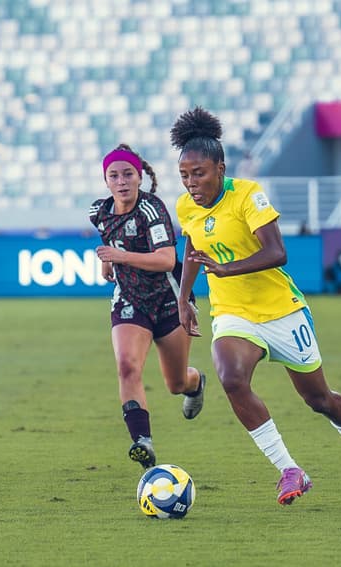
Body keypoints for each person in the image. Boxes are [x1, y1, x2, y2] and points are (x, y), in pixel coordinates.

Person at [170, 107, 341, 505]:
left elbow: (277, 252)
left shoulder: (247, 195)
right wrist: (184, 299)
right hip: (233, 313)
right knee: (231, 378)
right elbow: (192, 245)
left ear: (220, 169)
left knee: (319, 400)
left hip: (282, 311)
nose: (191, 183)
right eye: (184, 175)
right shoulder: (186, 206)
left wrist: (227, 268)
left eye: (198, 173)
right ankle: (290, 469)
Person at [89, 143, 206, 469]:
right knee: (127, 366)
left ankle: (195, 383)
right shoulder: (98, 211)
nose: (121, 181)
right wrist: (108, 260)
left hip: (169, 301)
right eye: (114, 176)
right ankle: (142, 441)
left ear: (140, 177)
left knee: (176, 383)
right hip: (130, 300)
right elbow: (108, 235)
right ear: (106, 180)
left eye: (128, 174)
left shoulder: (151, 210)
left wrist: (120, 256)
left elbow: (167, 259)